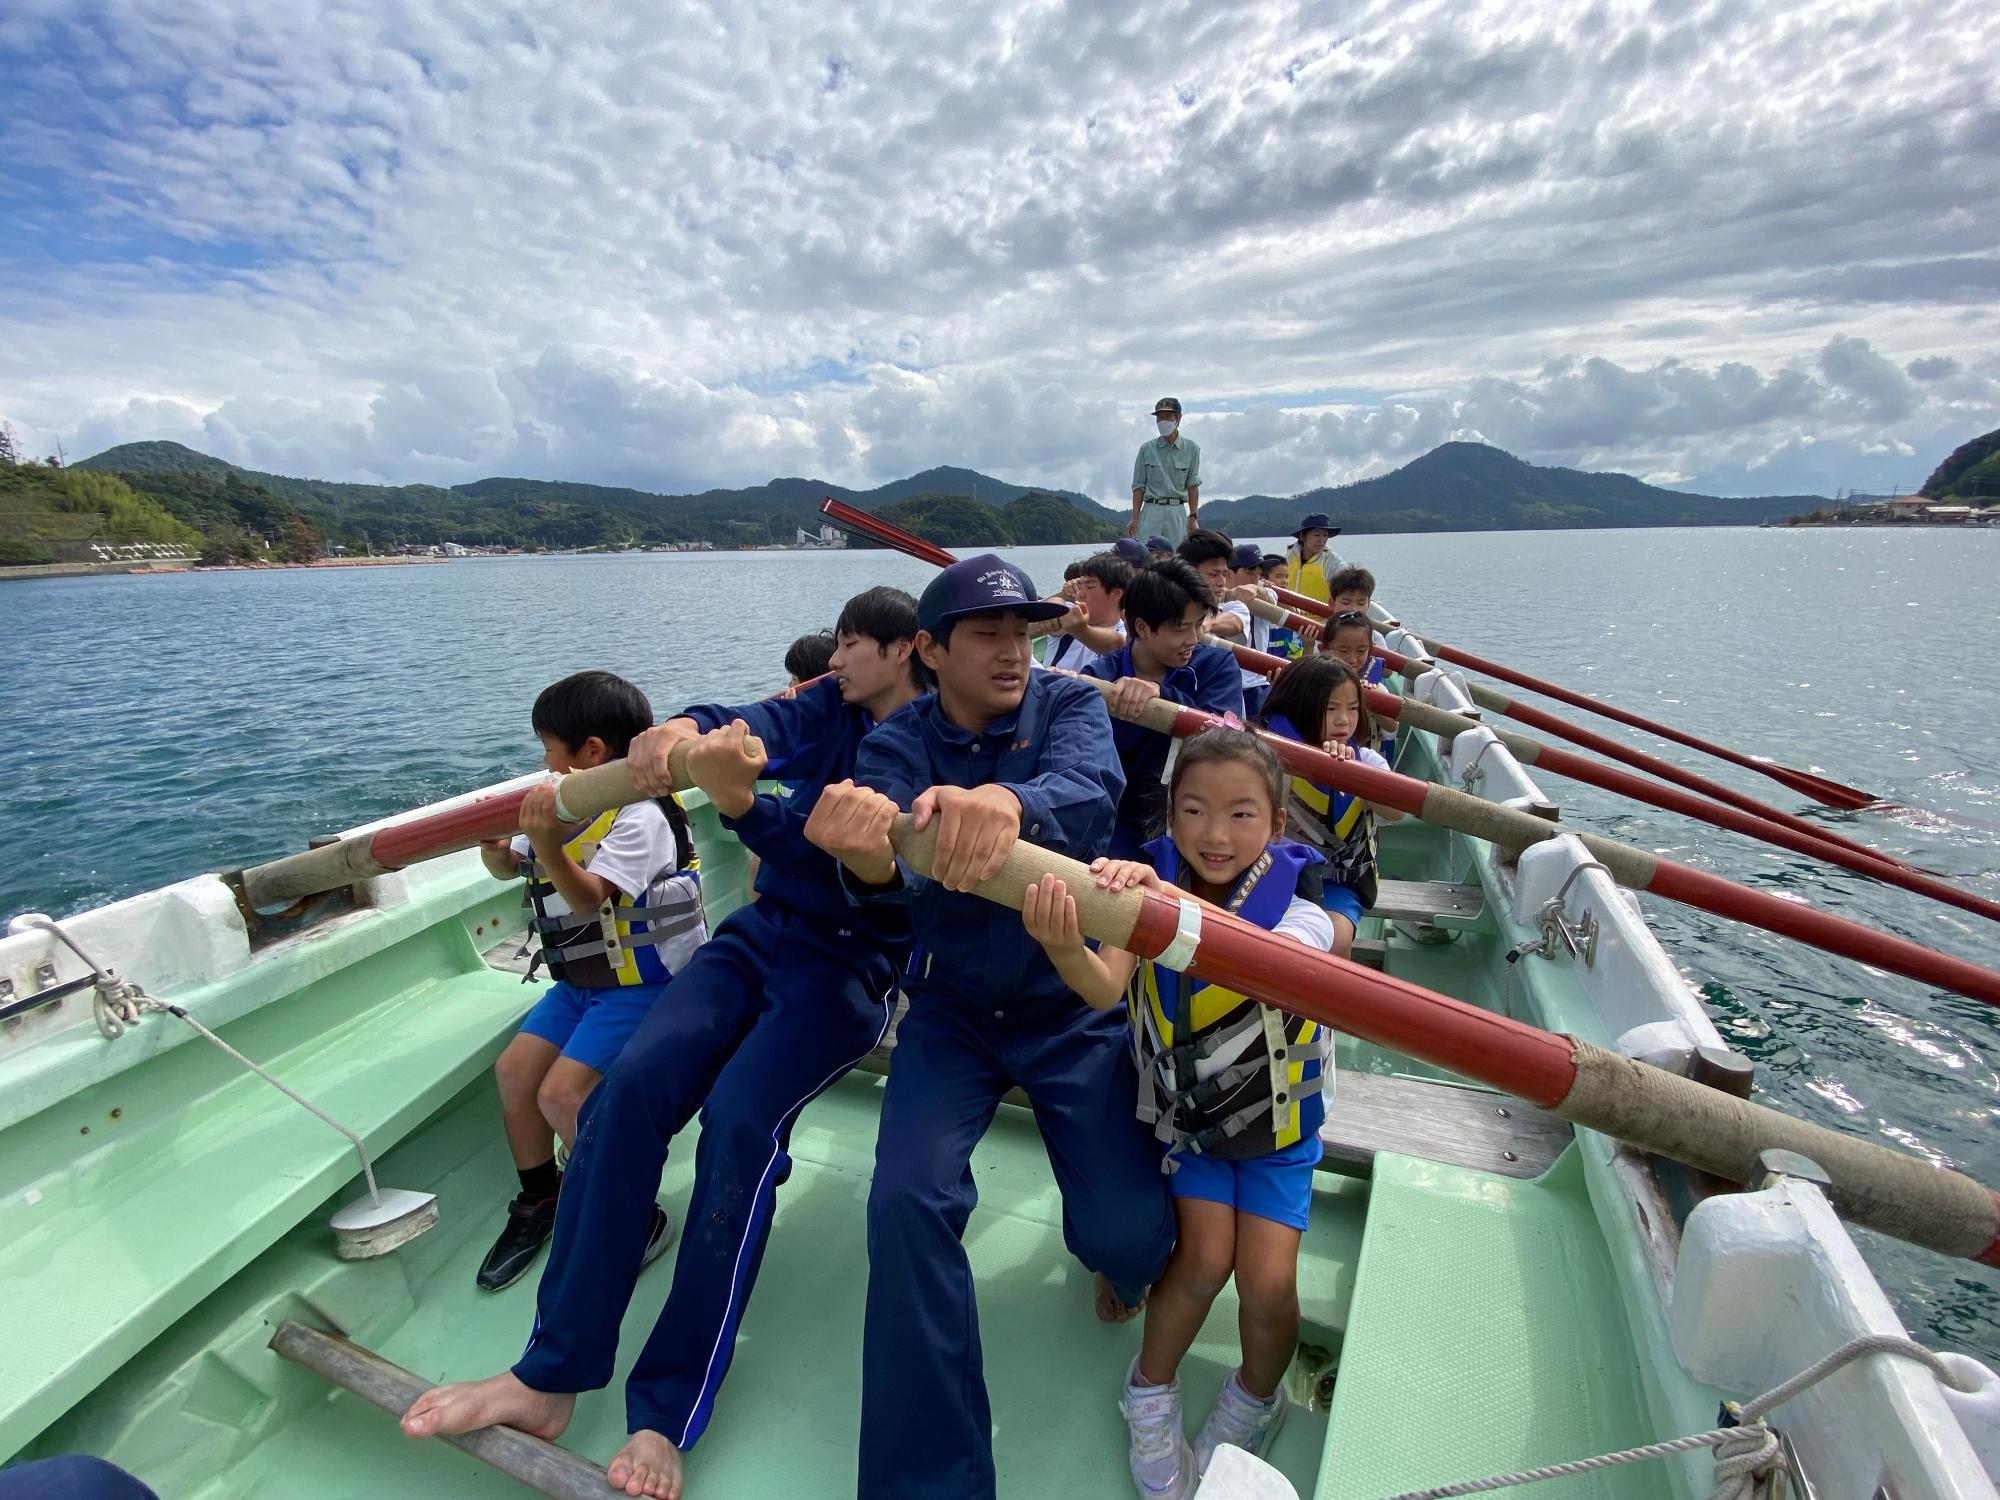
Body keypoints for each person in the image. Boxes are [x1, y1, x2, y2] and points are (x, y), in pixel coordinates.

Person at [402, 587, 927, 1500]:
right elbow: (747, 723)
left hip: (846, 967)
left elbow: (849, 871)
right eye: (835, 642)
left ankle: (667, 1412)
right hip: (762, 934)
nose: (836, 658)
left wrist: (745, 810)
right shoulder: (831, 707)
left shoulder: (938, 746)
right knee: (621, 1097)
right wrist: (681, 731)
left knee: (737, 1131)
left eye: (852, 644)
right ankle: (550, 1374)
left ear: (909, 650)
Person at [803, 554, 1175, 1500]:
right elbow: (887, 875)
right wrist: (867, 859)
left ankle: (1118, 1260)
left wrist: (1006, 802)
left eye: (1023, 633)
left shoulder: (1071, 703)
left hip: (1070, 1003)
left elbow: (1088, 790)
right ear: (929, 651)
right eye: (986, 634)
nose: (1013, 651)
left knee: (1131, 1239)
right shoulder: (895, 742)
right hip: (953, 1010)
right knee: (905, 1205)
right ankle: (931, 1483)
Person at [1020, 730, 1336, 1498]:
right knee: (1201, 1262)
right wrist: (1064, 945)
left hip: (1276, 1137)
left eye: (1240, 814)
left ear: (1278, 824)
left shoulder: (1305, 915)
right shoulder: (1145, 892)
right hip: (1193, 1132)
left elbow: (1271, 958)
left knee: (1268, 1284)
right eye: (1193, 811)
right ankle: (1148, 1391)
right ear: (1169, 816)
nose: (1214, 834)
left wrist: (1161, 898)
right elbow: (1103, 988)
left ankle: (1253, 1399)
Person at [474, 671, 705, 1292]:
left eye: (548, 748)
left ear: (593, 753)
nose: (544, 762)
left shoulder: (642, 818)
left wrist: (545, 844)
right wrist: (499, 851)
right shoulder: (572, 807)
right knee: (515, 1074)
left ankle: (638, 1214)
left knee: (561, 1095)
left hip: (641, 986)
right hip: (581, 985)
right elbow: (516, 867)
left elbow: (585, 899)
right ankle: (541, 1199)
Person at [1081, 559, 1246, 859]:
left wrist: (1164, 697)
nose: (1193, 639)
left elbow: (1229, 737)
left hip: (1196, 821)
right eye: (1181, 628)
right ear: (1142, 628)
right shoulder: (1099, 677)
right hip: (1114, 821)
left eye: (1198, 625)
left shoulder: (1216, 665)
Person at [1256, 656, 1404, 958]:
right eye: (1330, 708)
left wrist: (1348, 773)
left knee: (1335, 940)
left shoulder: (1367, 760)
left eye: (1353, 708)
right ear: (1300, 706)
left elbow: (1396, 811)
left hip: (1338, 881)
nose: (1344, 720)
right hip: (1270, 870)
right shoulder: (1264, 754)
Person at [1042, 551, 1132, 672]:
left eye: (1089, 587)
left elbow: (1117, 643)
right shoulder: (1068, 613)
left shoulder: (1125, 635)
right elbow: (1055, 602)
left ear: (1116, 593)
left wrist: (1081, 631)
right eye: (1080, 587)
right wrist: (1055, 603)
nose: (1080, 594)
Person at [1129, 396, 1202, 544]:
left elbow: (1193, 485)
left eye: (1167, 416)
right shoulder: (1146, 449)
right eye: (1159, 418)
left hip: (1177, 511)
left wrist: (1193, 518)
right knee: (1147, 553)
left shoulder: (1192, 449)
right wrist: (1134, 519)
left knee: (1177, 554)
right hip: (1151, 510)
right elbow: (1138, 487)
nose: (1163, 421)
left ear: (1178, 418)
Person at [1284, 511, 1344, 609]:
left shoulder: (1333, 561)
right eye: (1316, 535)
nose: (1321, 540)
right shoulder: (1288, 557)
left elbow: (1347, 586)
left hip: (1320, 616)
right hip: (1289, 615)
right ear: (1303, 537)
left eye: (1325, 535)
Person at [1259, 554, 1301, 660]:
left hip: (1290, 658)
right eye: (1278, 577)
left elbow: (1295, 617)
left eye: (1286, 577)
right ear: (1262, 579)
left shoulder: (1294, 604)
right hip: (1265, 660)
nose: (1284, 581)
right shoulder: (1257, 603)